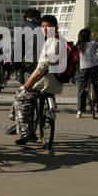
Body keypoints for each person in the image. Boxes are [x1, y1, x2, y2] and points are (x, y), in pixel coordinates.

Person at [13, 15, 64, 145]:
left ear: (56, 27)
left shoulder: (53, 41)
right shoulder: (59, 40)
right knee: (24, 94)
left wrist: (30, 81)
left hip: (45, 82)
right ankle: (20, 122)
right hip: (54, 82)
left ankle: (26, 131)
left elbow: (44, 65)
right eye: (43, 26)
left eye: (48, 25)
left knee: (21, 96)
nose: (45, 28)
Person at [76, 28, 98, 118]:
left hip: (83, 69)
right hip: (93, 68)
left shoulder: (78, 46)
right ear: (89, 36)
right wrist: (95, 37)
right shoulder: (92, 44)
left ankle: (80, 111)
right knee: (95, 85)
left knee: (81, 88)